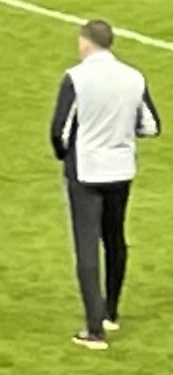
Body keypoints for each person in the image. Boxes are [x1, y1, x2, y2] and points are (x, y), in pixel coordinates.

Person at [56, 18, 161, 348]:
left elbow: (59, 131)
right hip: (120, 170)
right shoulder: (134, 77)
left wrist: (65, 156)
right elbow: (151, 126)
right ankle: (110, 313)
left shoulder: (76, 77)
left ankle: (93, 329)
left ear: (86, 42)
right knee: (115, 238)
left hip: (87, 171)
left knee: (87, 245)